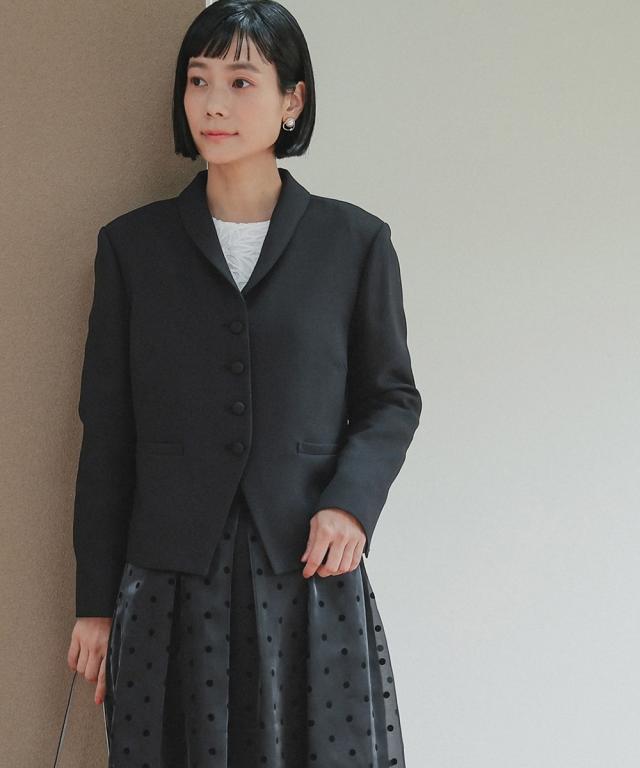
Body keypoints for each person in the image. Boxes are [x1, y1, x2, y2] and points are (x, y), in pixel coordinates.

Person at [66, 1, 422, 765]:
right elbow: (109, 434)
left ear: (293, 99)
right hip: (168, 581)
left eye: (240, 81)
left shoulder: (355, 243)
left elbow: (391, 398)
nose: (214, 104)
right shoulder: (132, 248)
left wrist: (350, 506)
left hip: (307, 575)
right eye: (198, 81)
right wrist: (94, 605)